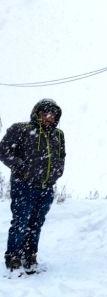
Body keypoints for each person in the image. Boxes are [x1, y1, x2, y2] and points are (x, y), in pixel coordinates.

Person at [0, 98, 66, 275]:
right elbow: (3, 151)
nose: (49, 117)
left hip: (46, 187)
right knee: (21, 221)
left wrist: (57, 172)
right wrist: (22, 167)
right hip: (24, 185)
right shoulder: (21, 129)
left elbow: (61, 156)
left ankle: (30, 254)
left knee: (36, 223)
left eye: (53, 114)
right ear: (37, 113)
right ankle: (13, 256)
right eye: (46, 113)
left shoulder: (58, 135)